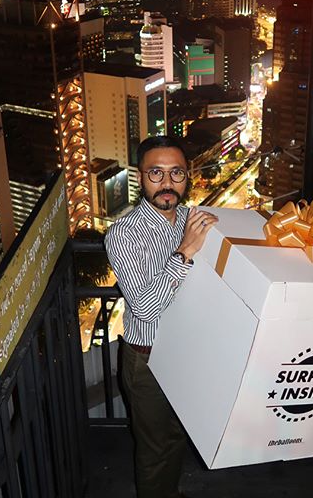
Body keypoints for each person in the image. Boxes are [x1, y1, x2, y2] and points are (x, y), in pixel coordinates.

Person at [104, 135, 218, 498]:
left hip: (186, 351)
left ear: (187, 176)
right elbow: (145, 307)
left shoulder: (190, 218)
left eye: (176, 173)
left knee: (177, 434)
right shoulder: (123, 234)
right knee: (154, 447)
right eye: (156, 173)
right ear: (140, 177)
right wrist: (184, 253)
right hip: (147, 358)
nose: (167, 183)